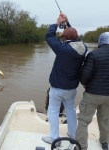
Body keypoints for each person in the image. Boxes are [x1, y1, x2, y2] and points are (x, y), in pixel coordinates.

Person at [42, 13, 88, 145]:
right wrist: (67, 24)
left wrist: (57, 23)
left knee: (53, 110)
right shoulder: (83, 48)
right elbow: (74, 38)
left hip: (57, 88)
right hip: (72, 88)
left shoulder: (62, 49)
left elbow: (49, 36)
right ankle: (73, 135)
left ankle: (54, 139)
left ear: (64, 38)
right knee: (71, 110)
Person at [75, 32, 109, 150]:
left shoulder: (93, 55)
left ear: (100, 41)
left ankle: (81, 147)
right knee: (105, 120)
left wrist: (85, 84)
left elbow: (85, 75)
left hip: (93, 94)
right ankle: (104, 142)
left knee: (83, 121)